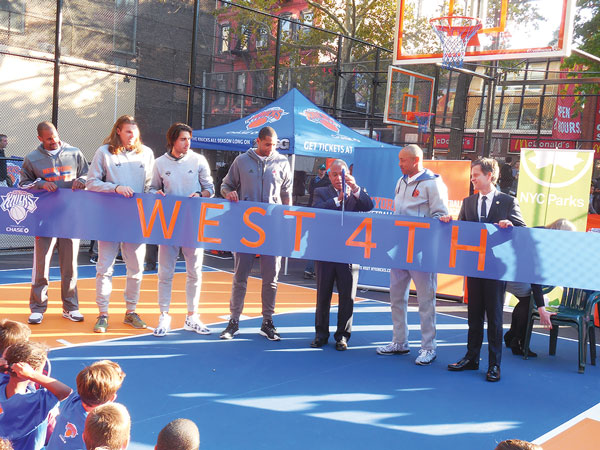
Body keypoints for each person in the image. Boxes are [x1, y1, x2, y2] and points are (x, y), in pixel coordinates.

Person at [442, 157, 526, 382]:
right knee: (474, 316)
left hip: (496, 269)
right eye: (471, 175)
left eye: (476, 175)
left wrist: (511, 226)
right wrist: (449, 222)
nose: (472, 179)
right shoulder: (468, 202)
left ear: (490, 176)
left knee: (495, 318)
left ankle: (494, 364)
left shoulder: (508, 202)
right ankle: (471, 358)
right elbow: (462, 230)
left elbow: (523, 230)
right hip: (474, 266)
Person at [376, 144, 449, 365]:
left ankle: (428, 347)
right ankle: (399, 342)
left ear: (415, 160)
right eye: (399, 160)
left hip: (421, 253)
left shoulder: (433, 183)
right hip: (399, 249)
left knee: (426, 300)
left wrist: (422, 239)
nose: (399, 164)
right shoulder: (401, 181)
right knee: (396, 297)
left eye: (403, 160)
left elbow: (441, 216)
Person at [219, 126, 292, 341]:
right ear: (258, 141)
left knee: (271, 278)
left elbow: (287, 193)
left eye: (274, 144)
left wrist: (287, 221)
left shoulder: (282, 162)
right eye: (268, 144)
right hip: (246, 229)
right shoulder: (241, 161)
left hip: (272, 229)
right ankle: (234, 321)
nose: (271, 148)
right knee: (240, 276)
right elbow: (225, 185)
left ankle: (267, 321)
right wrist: (228, 193)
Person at [86, 115, 155, 333]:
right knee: (104, 268)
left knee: (135, 269)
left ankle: (131, 312)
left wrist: (156, 193)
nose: (132, 136)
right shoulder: (103, 152)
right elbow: (91, 183)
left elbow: (150, 186)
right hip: (108, 220)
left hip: (135, 221)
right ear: (118, 131)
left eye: (135, 132)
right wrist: (115, 187)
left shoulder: (147, 154)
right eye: (127, 132)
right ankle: (103, 314)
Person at [19, 122, 88, 325]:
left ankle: (70, 307)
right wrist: (40, 183)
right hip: (44, 219)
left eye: (55, 136)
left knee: (70, 267)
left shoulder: (74, 153)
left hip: (70, 218)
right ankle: (38, 308)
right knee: (41, 266)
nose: (54, 140)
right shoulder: (32, 158)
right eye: (48, 138)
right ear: (40, 139)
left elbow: (87, 173)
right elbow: (23, 184)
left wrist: (82, 180)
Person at [150, 123, 215, 337]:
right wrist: (155, 193)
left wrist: (200, 195)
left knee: (194, 272)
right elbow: (151, 188)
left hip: (193, 225)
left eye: (189, 139)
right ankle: (164, 316)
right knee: (165, 273)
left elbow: (210, 189)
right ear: (172, 141)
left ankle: (192, 316)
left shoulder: (198, 160)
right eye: (182, 139)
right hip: (168, 226)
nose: (187, 143)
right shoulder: (159, 163)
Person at [310, 159, 373, 351]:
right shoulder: (321, 192)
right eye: (335, 174)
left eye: (342, 174)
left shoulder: (357, 192)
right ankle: (321, 334)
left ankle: (343, 336)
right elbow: (315, 211)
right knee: (323, 295)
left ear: (349, 174)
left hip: (349, 253)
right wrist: (338, 200)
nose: (339, 178)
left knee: (347, 296)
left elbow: (369, 205)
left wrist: (354, 189)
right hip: (326, 252)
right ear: (329, 176)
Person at [503, 218, 577, 356]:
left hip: (507, 269)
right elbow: (535, 278)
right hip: (511, 273)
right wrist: (542, 307)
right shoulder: (543, 243)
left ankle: (512, 337)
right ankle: (517, 341)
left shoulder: (541, 230)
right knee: (528, 300)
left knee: (525, 301)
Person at [0, 341, 73, 450]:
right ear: (29, 371)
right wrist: (33, 375)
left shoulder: (2, 382)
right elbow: (66, 391)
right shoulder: (37, 402)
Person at [45, 360, 125, 450]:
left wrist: (32, 374)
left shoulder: (74, 399)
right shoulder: (99, 429)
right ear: (112, 399)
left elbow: (71, 390)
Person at [304, 163, 331, 279]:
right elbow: (310, 191)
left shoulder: (326, 182)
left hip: (321, 214)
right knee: (314, 241)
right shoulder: (314, 180)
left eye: (324, 169)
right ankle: (311, 269)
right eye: (321, 169)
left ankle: (312, 269)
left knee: (317, 242)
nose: (322, 171)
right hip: (314, 211)